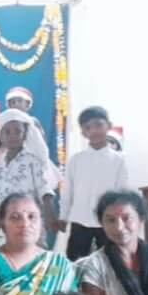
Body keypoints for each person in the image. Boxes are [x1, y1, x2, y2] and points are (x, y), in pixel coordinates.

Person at [55, 106, 129, 260]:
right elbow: (68, 191)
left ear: (108, 125)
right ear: (83, 132)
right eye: (88, 127)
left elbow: (122, 191)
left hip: (108, 220)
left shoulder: (118, 160)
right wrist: (63, 216)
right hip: (80, 220)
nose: (94, 131)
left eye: (98, 125)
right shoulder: (76, 160)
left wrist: (121, 219)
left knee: (111, 261)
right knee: (75, 261)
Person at [0, 109, 57, 228]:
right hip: (6, 223)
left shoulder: (32, 161)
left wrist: (50, 216)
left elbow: (45, 190)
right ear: (0, 136)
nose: (12, 136)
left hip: (29, 222)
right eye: (7, 132)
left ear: (25, 135)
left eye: (17, 131)